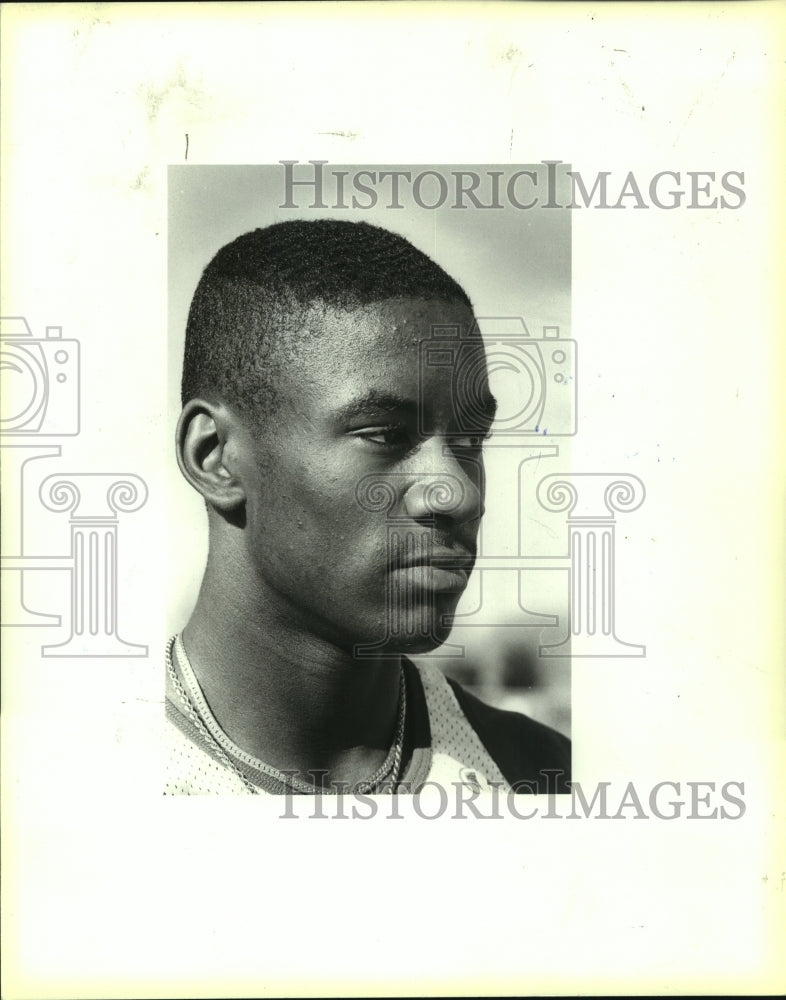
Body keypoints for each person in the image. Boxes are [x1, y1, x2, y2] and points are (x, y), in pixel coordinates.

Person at [165, 219, 570, 796]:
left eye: (470, 442)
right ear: (215, 458)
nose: (458, 492)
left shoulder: (543, 776)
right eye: (384, 435)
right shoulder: (61, 793)